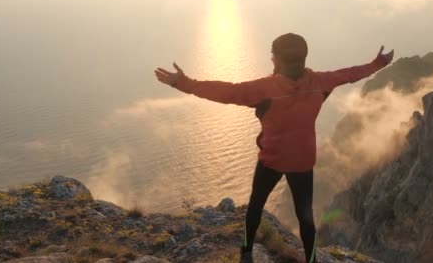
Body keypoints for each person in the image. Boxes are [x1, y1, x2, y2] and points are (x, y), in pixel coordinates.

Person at [154, 33, 394, 263]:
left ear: (278, 59)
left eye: (272, 56)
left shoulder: (265, 89)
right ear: (304, 57)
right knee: (305, 217)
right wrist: (378, 63)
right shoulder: (320, 82)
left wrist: (182, 83)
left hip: (272, 159)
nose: (270, 59)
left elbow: (227, 92)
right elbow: (349, 74)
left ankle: (246, 254)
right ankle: (311, 261)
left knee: (255, 206)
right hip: (303, 161)